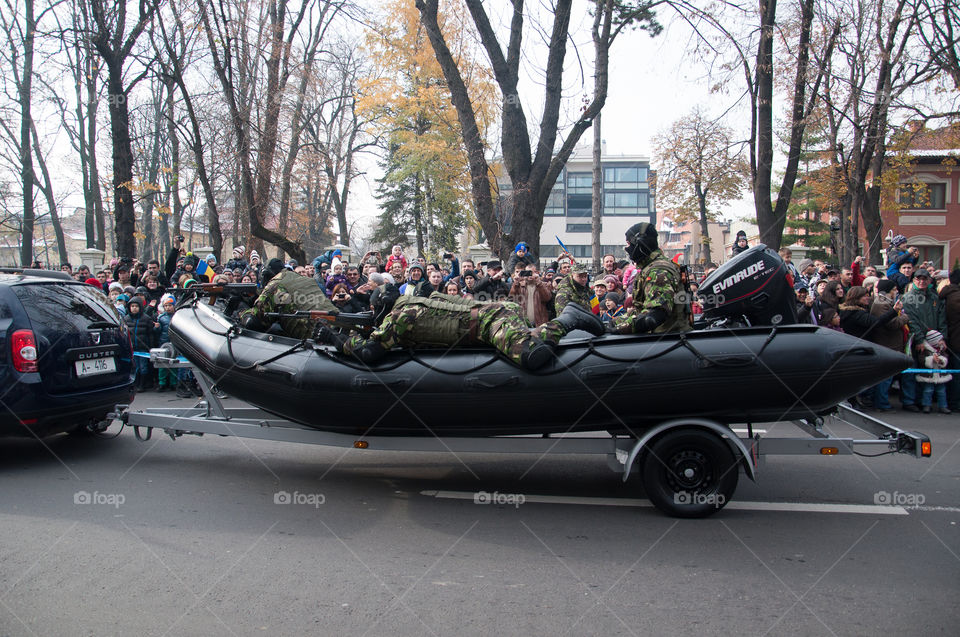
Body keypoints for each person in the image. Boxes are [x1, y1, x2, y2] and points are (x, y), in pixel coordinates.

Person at [322, 286, 604, 370]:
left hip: (491, 320)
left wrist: (340, 340)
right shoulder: (410, 306)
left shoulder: (402, 315)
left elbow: (371, 352)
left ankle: (570, 317)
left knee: (533, 355)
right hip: (491, 316)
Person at [610, 223, 691, 334]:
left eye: (629, 244)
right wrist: (616, 322)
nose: (627, 249)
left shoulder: (658, 271)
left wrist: (619, 329)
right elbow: (641, 312)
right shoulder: (650, 268)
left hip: (665, 340)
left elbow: (653, 316)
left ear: (640, 244)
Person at [239, 258, 339, 339]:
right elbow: (286, 303)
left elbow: (254, 324)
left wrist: (243, 312)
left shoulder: (275, 285)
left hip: (314, 336)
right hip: (335, 326)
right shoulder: (303, 279)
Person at [900, 268, 947, 412]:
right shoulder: (908, 297)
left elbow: (942, 319)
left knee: (929, 369)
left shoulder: (934, 297)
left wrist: (942, 337)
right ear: (914, 280)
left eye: (924, 279)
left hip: (934, 340)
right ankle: (909, 401)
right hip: (914, 340)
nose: (921, 281)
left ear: (929, 280)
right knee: (911, 368)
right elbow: (911, 321)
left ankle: (923, 400)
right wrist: (920, 340)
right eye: (918, 279)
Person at [866, 280, 911, 412]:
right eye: (894, 289)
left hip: (890, 343)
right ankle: (882, 403)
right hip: (887, 343)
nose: (896, 291)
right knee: (885, 378)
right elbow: (891, 324)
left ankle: (881, 401)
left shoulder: (885, 302)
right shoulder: (882, 304)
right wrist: (905, 318)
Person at [939, 269, 960, 411]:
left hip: (952, 338)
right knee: (957, 374)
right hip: (956, 339)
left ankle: (953, 401)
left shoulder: (948, 294)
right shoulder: (956, 297)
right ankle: (955, 403)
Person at [916, 330, 952, 414]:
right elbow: (921, 360)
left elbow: (946, 357)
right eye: (940, 340)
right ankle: (926, 405)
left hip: (940, 375)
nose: (942, 342)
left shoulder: (942, 349)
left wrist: (941, 360)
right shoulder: (925, 350)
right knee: (928, 390)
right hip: (929, 376)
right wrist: (931, 359)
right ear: (934, 341)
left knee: (942, 391)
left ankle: (943, 406)